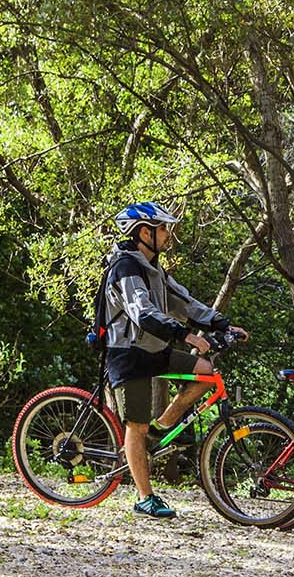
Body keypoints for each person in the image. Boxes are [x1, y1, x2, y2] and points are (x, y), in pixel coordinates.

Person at [101, 202, 248, 519]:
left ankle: (162, 428)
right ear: (145, 232)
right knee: (135, 426)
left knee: (206, 375)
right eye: (164, 228)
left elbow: (185, 303)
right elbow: (142, 313)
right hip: (127, 353)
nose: (169, 234)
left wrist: (221, 324)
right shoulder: (125, 268)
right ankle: (145, 497)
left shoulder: (154, 268)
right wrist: (185, 336)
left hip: (153, 349)